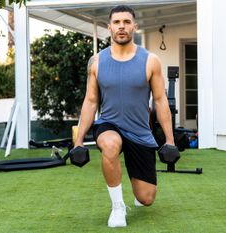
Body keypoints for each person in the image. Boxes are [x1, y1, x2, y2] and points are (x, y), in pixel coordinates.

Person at [73, 5, 175, 228]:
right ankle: (118, 207)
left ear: (134, 27)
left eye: (126, 22)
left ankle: (134, 181)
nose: (121, 27)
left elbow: (160, 101)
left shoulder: (150, 61)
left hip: (139, 131)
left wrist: (169, 140)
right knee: (109, 145)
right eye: (117, 22)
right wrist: (78, 141)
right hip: (109, 125)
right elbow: (90, 101)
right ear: (109, 27)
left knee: (146, 198)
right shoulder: (97, 62)